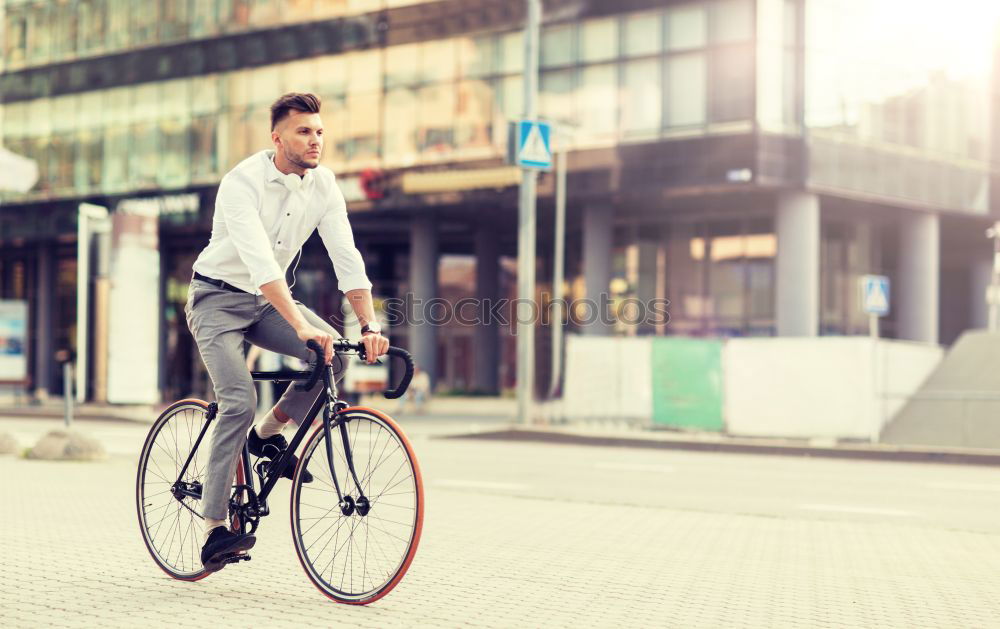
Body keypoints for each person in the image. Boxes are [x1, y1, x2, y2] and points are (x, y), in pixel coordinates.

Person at [184, 92, 389, 573]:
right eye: (303, 131)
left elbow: (347, 256)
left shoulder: (325, 185)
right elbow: (258, 262)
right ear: (277, 138)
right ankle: (214, 527)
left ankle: (268, 434)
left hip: (265, 302)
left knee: (331, 357)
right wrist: (299, 323)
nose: (315, 140)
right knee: (236, 400)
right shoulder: (242, 182)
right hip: (216, 299)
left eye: (319, 131)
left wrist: (368, 324)